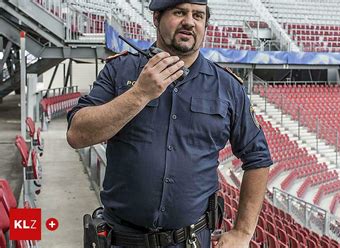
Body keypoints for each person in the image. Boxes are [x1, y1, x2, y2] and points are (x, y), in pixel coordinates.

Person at [66, 0, 273, 247]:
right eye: (179, 12)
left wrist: (243, 231)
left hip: (192, 240)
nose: (189, 21)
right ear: (156, 18)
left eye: (198, 15)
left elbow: (258, 157)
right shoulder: (121, 71)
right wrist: (140, 94)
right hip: (123, 239)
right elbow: (77, 134)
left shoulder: (227, 87)